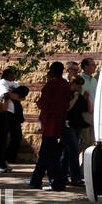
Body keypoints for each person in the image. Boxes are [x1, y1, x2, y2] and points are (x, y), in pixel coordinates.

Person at [29, 62, 71, 192]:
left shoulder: (50, 85)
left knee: (49, 154)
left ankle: (56, 182)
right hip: (60, 122)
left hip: (50, 124)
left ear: (52, 71)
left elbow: (43, 104)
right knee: (46, 153)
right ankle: (36, 179)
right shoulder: (66, 85)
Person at [0, 67, 24, 173]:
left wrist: (14, 96)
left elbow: (23, 96)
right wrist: (15, 95)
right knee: (1, 139)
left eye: (14, 73)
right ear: (6, 74)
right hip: (3, 113)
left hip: (14, 115)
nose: (13, 76)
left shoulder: (15, 83)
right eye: (11, 73)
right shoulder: (2, 82)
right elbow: (5, 94)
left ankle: (4, 158)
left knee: (17, 136)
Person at [63, 75, 88, 185]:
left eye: (81, 85)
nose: (79, 87)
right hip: (68, 125)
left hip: (77, 125)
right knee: (73, 151)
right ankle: (75, 177)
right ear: (72, 84)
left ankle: (63, 175)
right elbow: (67, 108)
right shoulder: (67, 94)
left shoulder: (80, 95)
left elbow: (87, 109)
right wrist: (75, 98)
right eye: (77, 84)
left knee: (68, 153)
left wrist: (85, 98)